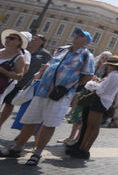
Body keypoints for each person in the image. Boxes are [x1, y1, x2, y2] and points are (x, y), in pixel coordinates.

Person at [0, 28, 94, 166]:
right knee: (31, 119)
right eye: (76, 34)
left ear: (86, 41)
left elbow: (88, 75)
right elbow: (51, 64)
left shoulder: (87, 56)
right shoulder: (62, 49)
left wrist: (70, 86)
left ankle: (37, 153)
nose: (76, 37)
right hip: (43, 89)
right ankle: (18, 147)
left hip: (60, 94)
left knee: (49, 123)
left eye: (81, 36)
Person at [68, 55, 118, 159]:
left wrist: (94, 85)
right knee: (92, 126)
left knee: (93, 126)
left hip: (101, 101)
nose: (107, 66)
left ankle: (85, 149)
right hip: (102, 101)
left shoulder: (113, 75)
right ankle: (82, 148)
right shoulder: (115, 75)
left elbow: (102, 90)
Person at [0, 33, 50, 129]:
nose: (33, 40)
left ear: (42, 42)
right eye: (33, 38)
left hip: (20, 82)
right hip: (10, 81)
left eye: (36, 38)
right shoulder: (25, 51)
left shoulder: (44, 54)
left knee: (9, 103)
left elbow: (35, 69)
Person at [0, 29, 28, 104]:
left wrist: (3, 71)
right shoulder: (0, 51)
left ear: (19, 42)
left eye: (12, 38)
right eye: (7, 38)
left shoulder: (19, 57)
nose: (8, 40)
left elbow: (19, 76)